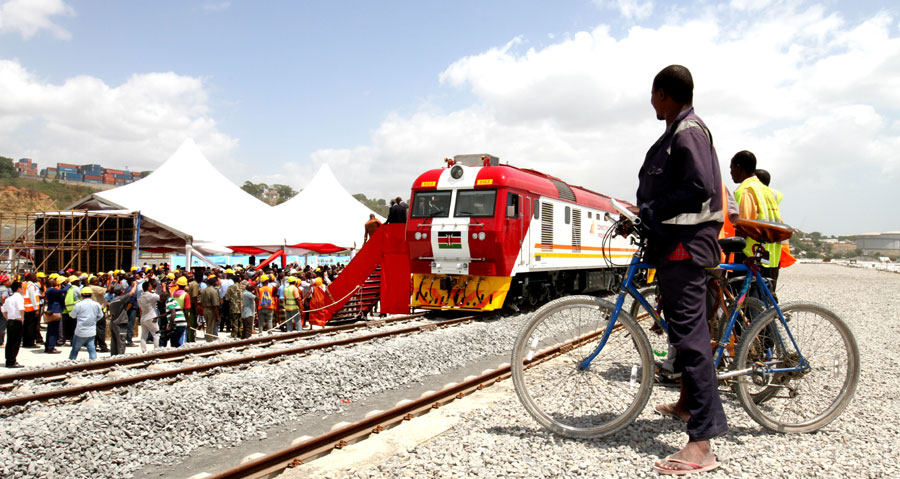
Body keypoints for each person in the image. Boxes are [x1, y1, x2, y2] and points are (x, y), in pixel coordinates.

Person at [637, 65, 726, 474]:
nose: (651, 102)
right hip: (677, 245)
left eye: (653, 95)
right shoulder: (680, 129)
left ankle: (703, 443)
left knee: (691, 341)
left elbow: (697, 187)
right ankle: (689, 405)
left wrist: (653, 209)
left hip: (685, 248)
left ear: (663, 94)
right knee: (683, 332)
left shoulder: (687, 132)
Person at [730, 151, 783, 292]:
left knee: (745, 300)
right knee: (762, 296)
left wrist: (730, 246)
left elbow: (744, 224)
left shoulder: (746, 190)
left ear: (739, 167)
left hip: (749, 253)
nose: (731, 173)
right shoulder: (765, 189)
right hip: (768, 253)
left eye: (731, 168)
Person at [69, 286, 104, 361]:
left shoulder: (79, 305)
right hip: (91, 331)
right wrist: (94, 320)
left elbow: (73, 315)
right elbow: (100, 315)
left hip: (80, 331)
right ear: (91, 295)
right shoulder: (96, 304)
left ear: (82, 295)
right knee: (92, 349)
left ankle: (71, 362)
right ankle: (93, 363)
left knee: (75, 349)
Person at [3, 281, 25, 367]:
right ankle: (12, 361)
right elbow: (21, 308)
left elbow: (4, 310)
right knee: (16, 342)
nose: (23, 289)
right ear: (19, 289)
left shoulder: (9, 298)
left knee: (9, 341)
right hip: (17, 321)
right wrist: (22, 318)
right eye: (22, 287)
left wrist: (7, 318)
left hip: (10, 321)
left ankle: (8, 360)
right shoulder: (19, 298)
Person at [41, 278, 65, 354]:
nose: (56, 282)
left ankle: (48, 346)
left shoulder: (50, 290)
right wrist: (68, 285)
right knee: (53, 331)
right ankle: (51, 347)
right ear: (51, 283)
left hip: (52, 310)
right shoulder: (51, 290)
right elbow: (62, 291)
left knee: (50, 330)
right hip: (55, 311)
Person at [165, 277, 190, 347]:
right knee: (182, 339)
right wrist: (188, 322)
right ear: (185, 285)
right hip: (182, 318)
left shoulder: (174, 294)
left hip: (174, 319)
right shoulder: (186, 295)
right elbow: (186, 310)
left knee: (174, 339)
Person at [107, 284, 131, 356]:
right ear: (122, 291)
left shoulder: (113, 300)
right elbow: (131, 293)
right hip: (120, 323)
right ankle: (120, 357)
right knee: (121, 341)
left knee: (114, 342)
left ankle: (113, 357)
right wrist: (135, 284)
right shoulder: (120, 299)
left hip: (114, 323)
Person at [138, 280, 160, 352]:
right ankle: (156, 350)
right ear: (148, 287)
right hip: (151, 317)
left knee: (144, 335)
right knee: (156, 334)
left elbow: (140, 308)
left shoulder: (140, 297)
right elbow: (160, 297)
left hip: (143, 317)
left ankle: (143, 350)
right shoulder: (151, 295)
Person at [199, 276, 220, 342]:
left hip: (205, 309)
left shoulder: (204, 290)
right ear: (214, 283)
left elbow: (200, 301)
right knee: (211, 326)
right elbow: (215, 305)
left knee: (208, 324)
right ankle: (209, 340)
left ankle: (208, 338)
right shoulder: (213, 291)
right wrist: (217, 316)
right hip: (211, 310)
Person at [0, 274, 10, 348]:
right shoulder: (4, 289)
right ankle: (0, 342)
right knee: (2, 325)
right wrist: (4, 306)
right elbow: (3, 297)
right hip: (1, 308)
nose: (9, 282)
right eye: (7, 280)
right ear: (4, 282)